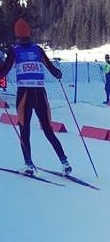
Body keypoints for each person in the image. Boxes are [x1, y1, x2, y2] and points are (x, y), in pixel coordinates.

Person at [0, 18, 71, 176]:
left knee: (24, 129)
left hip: (25, 94)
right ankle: (65, 162)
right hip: (40, 93)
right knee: (48, 130)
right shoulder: (38, 49)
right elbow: (53, 70)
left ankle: (28, 164)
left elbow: (3, 72)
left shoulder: (14, 50)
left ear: (17, 34)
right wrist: (57, 73)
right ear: (29, 33)